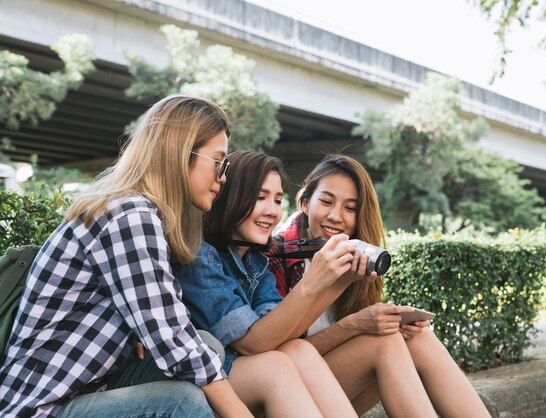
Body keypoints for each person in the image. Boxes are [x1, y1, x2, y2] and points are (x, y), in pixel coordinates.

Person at [0, 95, 251, 418]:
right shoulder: (129, 214)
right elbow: (173, 339)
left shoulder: (137, 211)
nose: (223, 176)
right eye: (219, 162)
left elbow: (170, 330)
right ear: (179, 153)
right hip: (42, 407)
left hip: (86, 387)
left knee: (207, 345)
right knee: (182, 403)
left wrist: (135, 331)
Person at [269, 154, 491, 418]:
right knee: (384, 344)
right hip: (291, 394)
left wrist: (390, 322)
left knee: (416, 337)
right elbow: (282, 355)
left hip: (334, 390)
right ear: (305, 203)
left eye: (350, 208)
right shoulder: (277, 254)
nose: (336, 216)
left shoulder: (357, 253)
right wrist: (354, 325)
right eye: (326, 202)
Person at [176, 150, 367, 417]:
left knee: (297, 348)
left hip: (245, 372)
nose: (272, 211)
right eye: (260, 197)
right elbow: (251, 343)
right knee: (276, 365)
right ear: (229, 195)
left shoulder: (256, 259)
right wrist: (311, 283)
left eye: (278, 200)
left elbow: (282, 333)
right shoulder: (199, 257)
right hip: (206, 382)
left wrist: (340, 282)